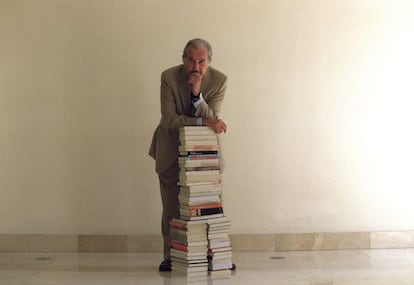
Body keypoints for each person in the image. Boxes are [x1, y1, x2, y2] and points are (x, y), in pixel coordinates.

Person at [149, 38, 228, 272]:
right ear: (183, 59)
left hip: (205, 153)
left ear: (209, 61)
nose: (196, 67)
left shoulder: (219, 80)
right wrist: (203, 120)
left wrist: (196, 94)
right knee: (172, 206)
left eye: (201, 62)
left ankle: (210, 254)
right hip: (170, 149)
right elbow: (171, 120)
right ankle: (171, 255)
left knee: (208, 204)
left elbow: (215, 117)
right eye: (191, 60)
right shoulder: (168, 77)